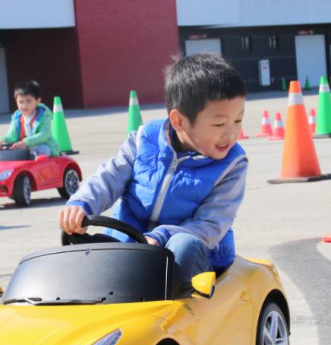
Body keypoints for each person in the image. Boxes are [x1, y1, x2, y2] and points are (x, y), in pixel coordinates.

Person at [58, 53, 248, 296]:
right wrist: (82, 204)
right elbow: (109, 177)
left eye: (238, 120)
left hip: (193, 256)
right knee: (78, 244)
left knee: (183, 246)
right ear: (179, 121)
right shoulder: (143, 140)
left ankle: (167, 314)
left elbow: (210, 225)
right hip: (133, 246)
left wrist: (160, 236)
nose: (231, 134)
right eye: (220, 124)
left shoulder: (232, 165)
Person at [0, 80, 60, 158]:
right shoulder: (17, 117)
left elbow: (44, 135)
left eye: (28, 101)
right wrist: (3, 141)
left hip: (42, 145)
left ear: (37, 101)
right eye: (20, 102)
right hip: (23, 147)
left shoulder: (43, 115)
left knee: (43, 149)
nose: (24, 105)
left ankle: (34, 159)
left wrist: (26, 143)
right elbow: (11, 135)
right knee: (6, 151)